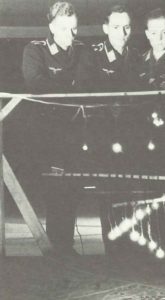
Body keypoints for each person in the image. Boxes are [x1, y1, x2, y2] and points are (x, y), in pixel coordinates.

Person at [76, 5, 143, 258]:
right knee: (109, 192)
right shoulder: (91, 56)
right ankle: (113, 250)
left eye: (126, 26)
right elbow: (85, 93)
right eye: (116, 27)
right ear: (105, 28)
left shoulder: (137, 56)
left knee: (132, 191)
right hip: (102, 136)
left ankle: (131, 249)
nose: (122, 32)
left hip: (131, 136)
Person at [22, 1, 85, 257]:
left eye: (74, 29)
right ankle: (55, 246)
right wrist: (68, 86)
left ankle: (66, 246)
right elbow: (35, 84)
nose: (70, 36)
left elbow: (85, 84)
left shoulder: (82, 49)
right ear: (51, 26)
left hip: (75, 131)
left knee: (72, 188)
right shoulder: (34, 50)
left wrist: (59, 85)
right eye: (63, 29)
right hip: (46, 134)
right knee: (54, 190)